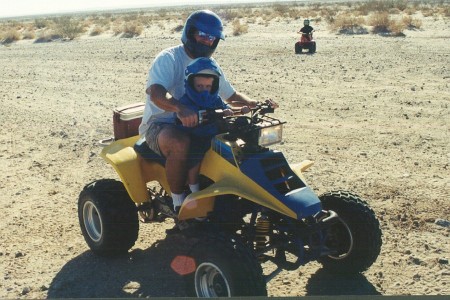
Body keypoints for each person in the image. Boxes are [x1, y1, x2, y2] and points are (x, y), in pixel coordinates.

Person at [138, 10, 266, 213]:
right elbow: (156, 92)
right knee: (180, 142)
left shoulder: (210, 65)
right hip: (161, 125)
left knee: (242, 136)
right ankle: (178, 202)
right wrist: (180, 108)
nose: (207, 41)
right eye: (203, 35)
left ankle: (236, 193)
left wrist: (255, 104)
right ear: (190, 33)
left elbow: (230, 96)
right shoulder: (169, 58)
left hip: (201, 120)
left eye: (212, 38)